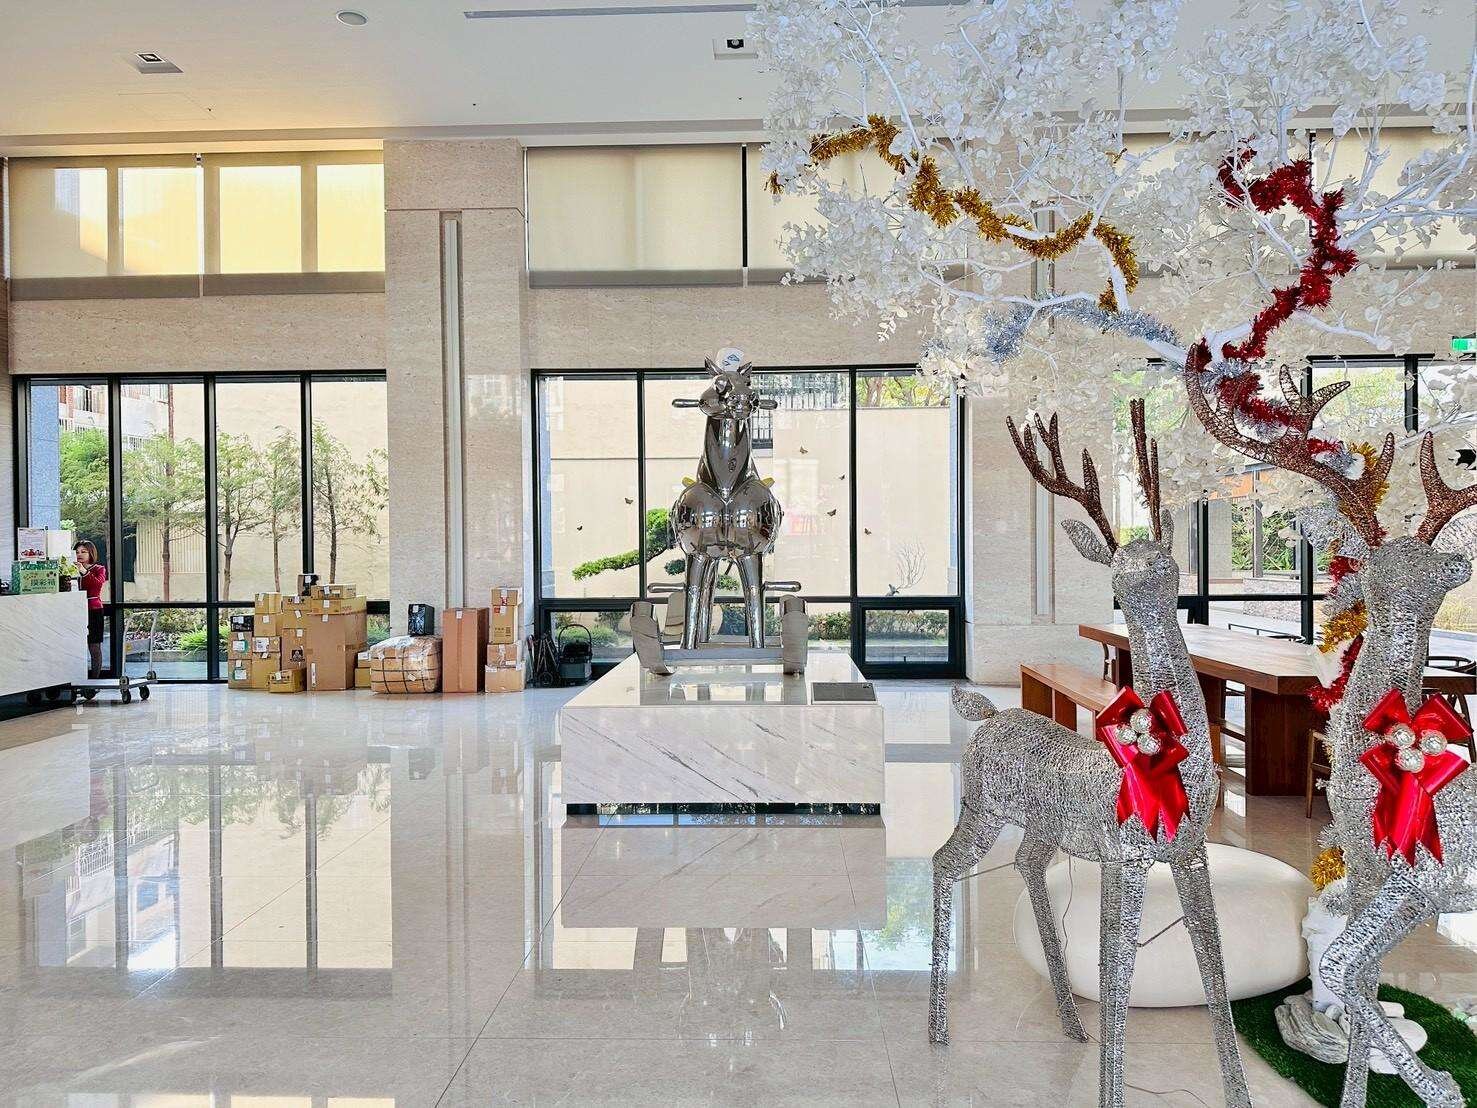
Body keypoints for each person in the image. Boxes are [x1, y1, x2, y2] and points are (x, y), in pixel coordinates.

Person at [74, 540, 107, 678]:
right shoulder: (70, 568)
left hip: (94, 610)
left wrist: (83, 570)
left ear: (91, 553)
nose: (79, 554)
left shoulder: (99, 569)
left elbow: (97, 584)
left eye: (83, 552)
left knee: (94, 646)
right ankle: (76, 679)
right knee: (74, 645)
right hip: (75, 610)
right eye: (77, 552)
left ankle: (94, 680)